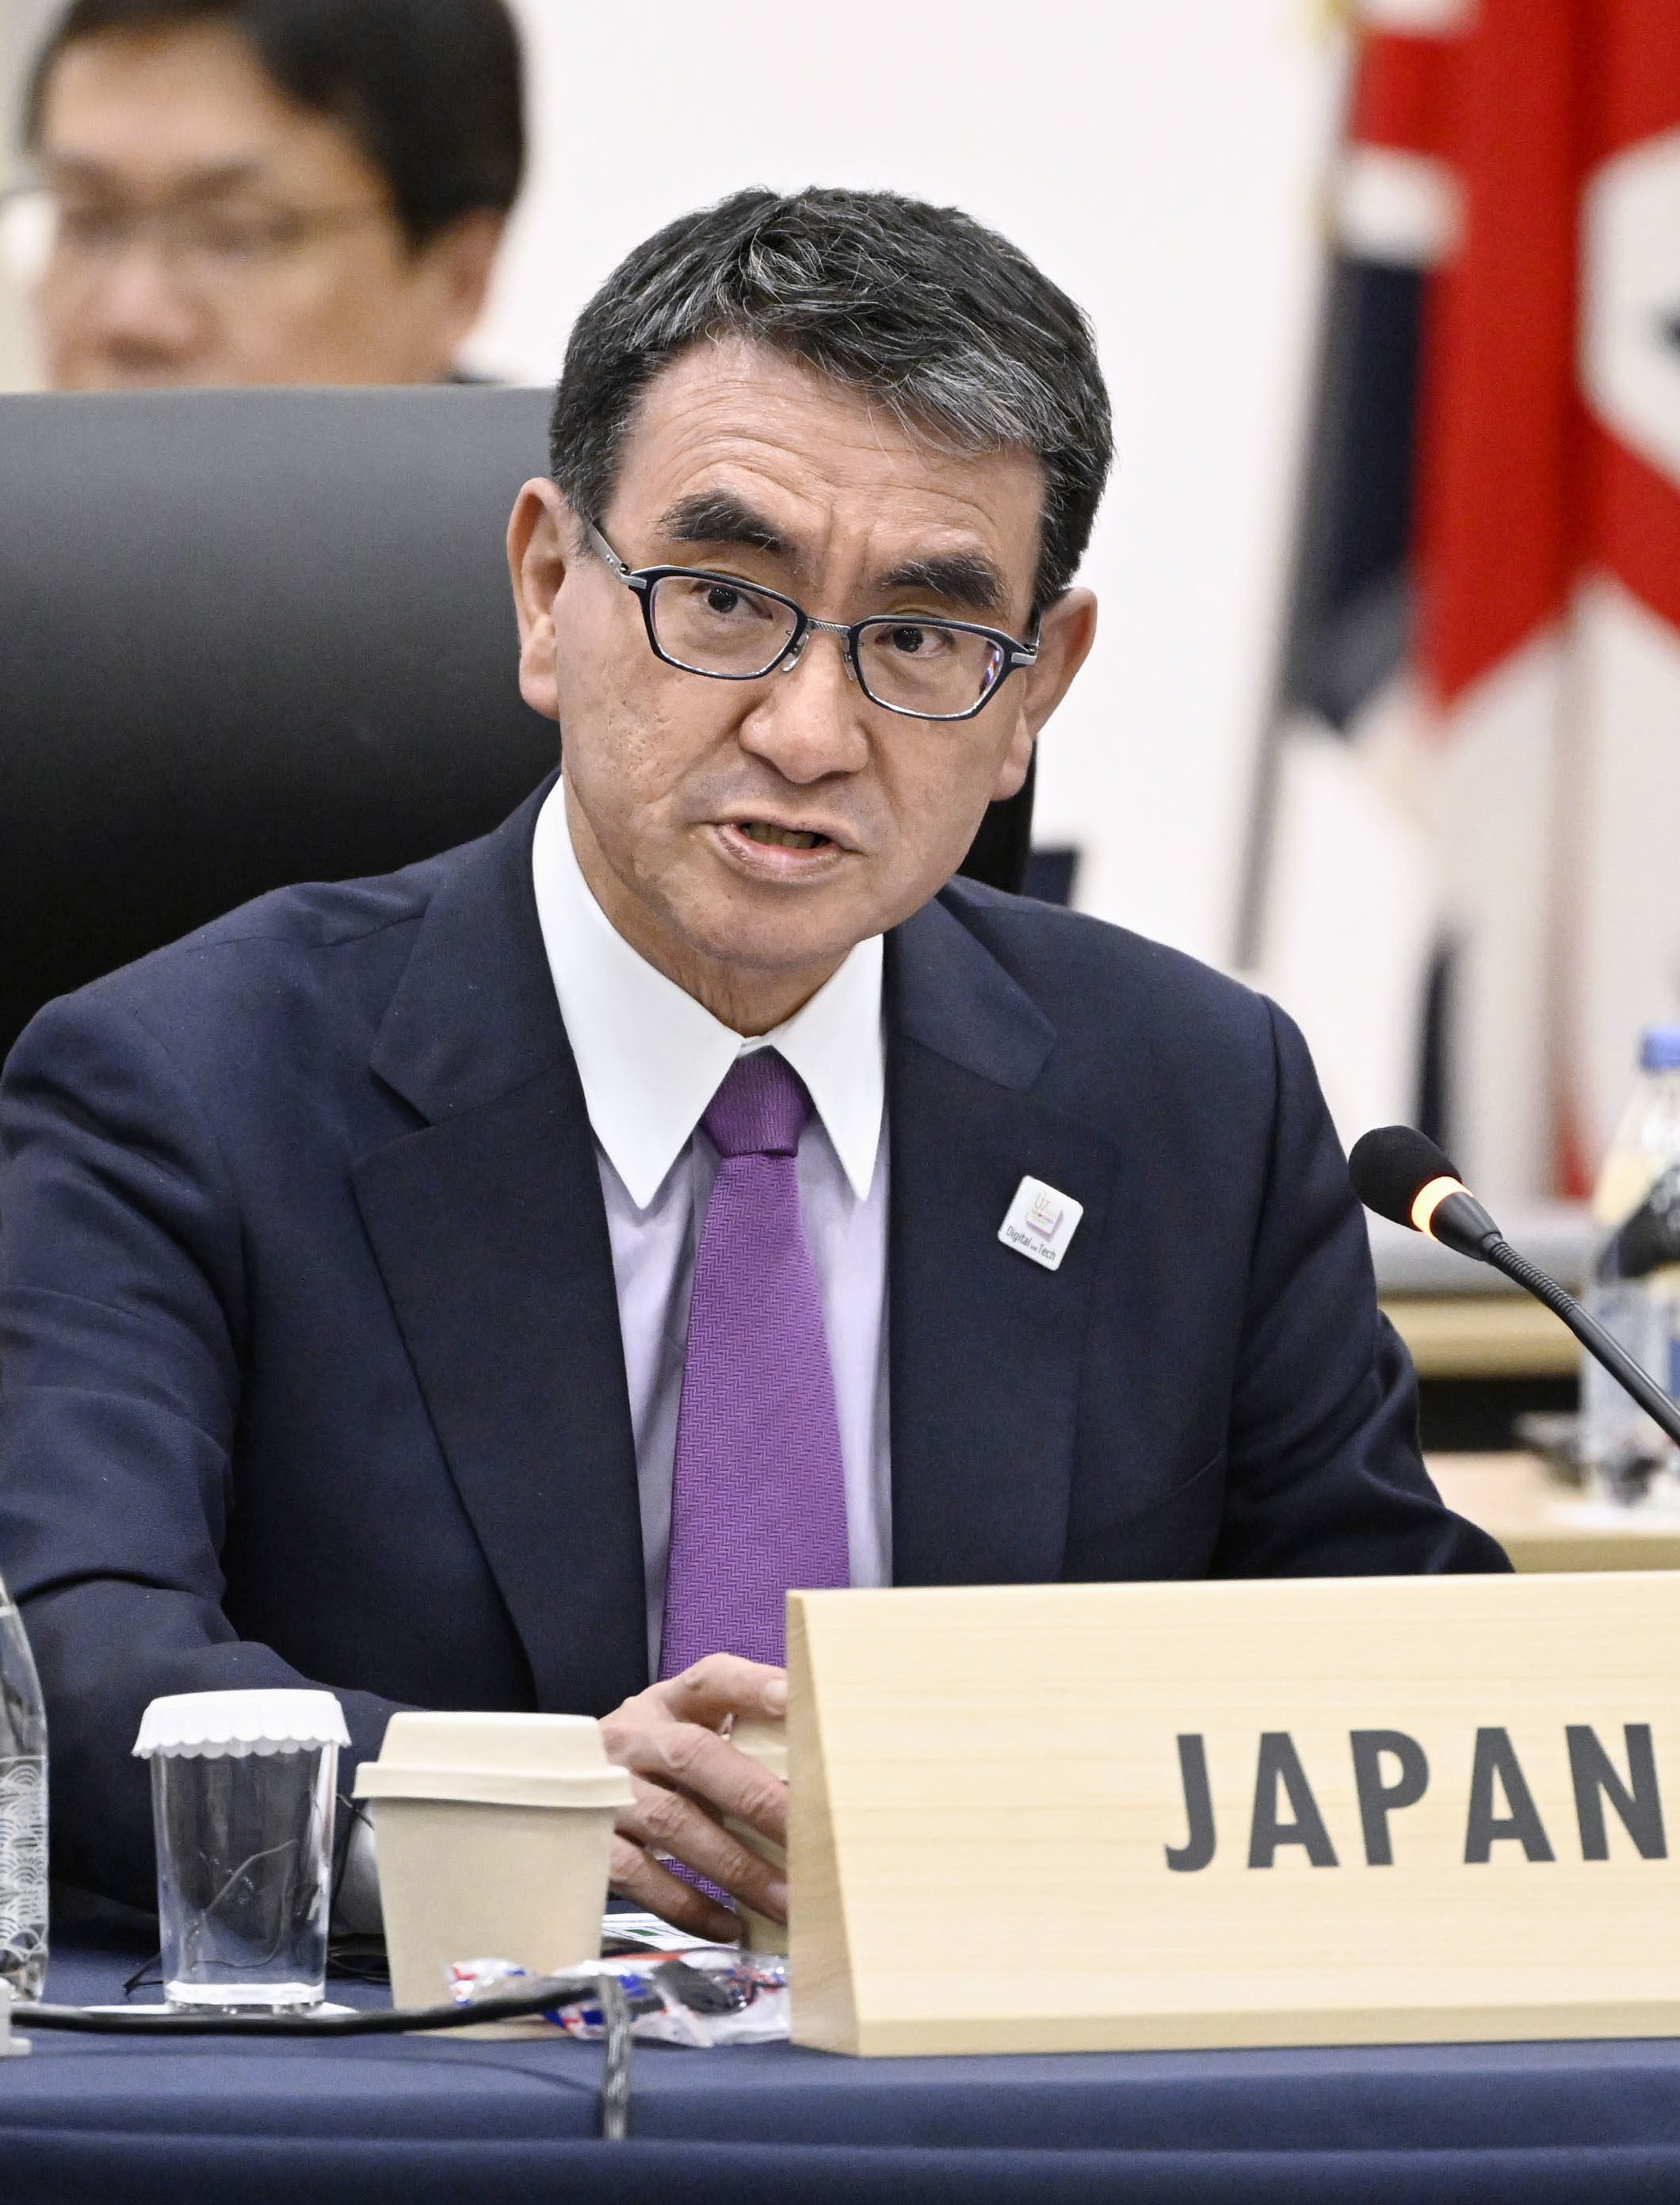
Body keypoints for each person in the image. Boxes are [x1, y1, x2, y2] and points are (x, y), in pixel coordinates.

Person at [0, 186, 1507, 1942]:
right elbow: (69, 1657)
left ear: (1036, 691)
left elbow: (1407, 1682)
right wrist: (533, 1819)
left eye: (925, 640)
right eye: (724, 598)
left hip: (1019, 2109)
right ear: (551, 589)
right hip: (456, 2108)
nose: (806, 731)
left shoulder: (1193, 1098)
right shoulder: (178, 1086)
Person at [10, 0, 521, 388]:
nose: (131, 318)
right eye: (86, 221)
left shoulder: (572, 525)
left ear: (459, 282)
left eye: (234, 234)